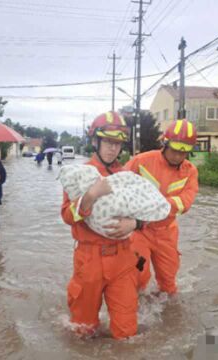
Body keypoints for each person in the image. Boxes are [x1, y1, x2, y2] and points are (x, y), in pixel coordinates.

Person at [61, 111, 142, 339]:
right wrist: (90, 196)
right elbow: (67, 216)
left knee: (127, 335)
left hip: (124, 259)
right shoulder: (78, 174)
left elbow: (148, 210)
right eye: (107, 141)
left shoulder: (127, 176)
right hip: (89, 260)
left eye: (117, 143)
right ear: (95, 142)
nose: (112, 148)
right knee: (82, 331)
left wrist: (135, 223)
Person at [124, 119, 199, 296]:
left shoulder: (190, 171)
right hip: (140, 229)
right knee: (138, 275)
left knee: (168, 281)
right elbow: (120, 184)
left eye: (184, 152)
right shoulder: (142, 161)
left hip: (167, 232)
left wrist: (159, 205)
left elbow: (185, 202)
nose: (178, 156)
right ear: (164, 144)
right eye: (175, 150)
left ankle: (170, 317)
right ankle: (134, 308)